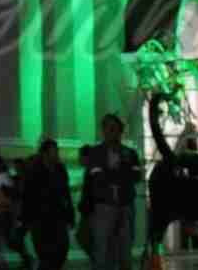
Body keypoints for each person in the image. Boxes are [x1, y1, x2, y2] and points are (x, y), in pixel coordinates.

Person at [80, 114, 141, 270]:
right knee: (102, 251)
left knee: (125, 251)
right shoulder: (95, 153)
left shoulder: (130, 153)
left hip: (125, 206)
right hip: (103, 207)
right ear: (103, 131)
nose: (111, 131)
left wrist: (113, 173)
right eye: (107, 128)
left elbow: (136, 175)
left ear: (120, 131)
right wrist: (120, 173)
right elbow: (96, 176)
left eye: (114, 128)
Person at [20, 140, 72, 270]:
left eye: (57, 150)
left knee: (62, 250)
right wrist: (26, 218)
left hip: (58, 216)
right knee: (46, 255)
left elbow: (66, 192)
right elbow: (27, 195)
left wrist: (70, 213)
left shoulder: (60, 169)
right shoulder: (34, 170)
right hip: (40, 219)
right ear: (45, 153)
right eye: (54, 151)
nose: (57, 153)